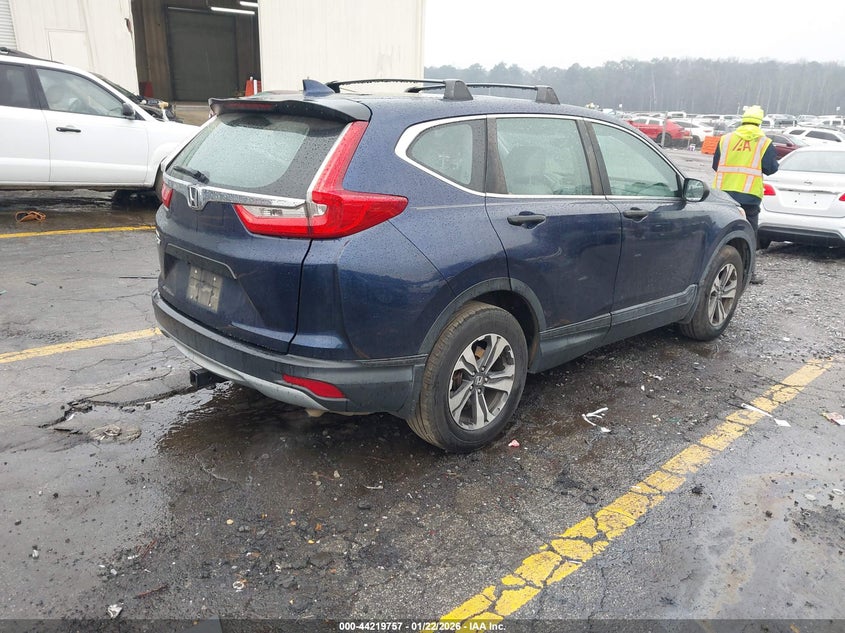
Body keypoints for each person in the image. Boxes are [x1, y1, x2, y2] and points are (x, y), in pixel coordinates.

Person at [711, 105, 778, 284]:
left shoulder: (725, 139)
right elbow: (771, 169)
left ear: (743, 119)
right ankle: (749, 273)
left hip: (722, 194)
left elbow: (715, 165)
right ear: (760, 122)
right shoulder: (764, 142)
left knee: (721, 232)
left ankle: (716, 270)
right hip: (749, 196)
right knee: (749, 235)